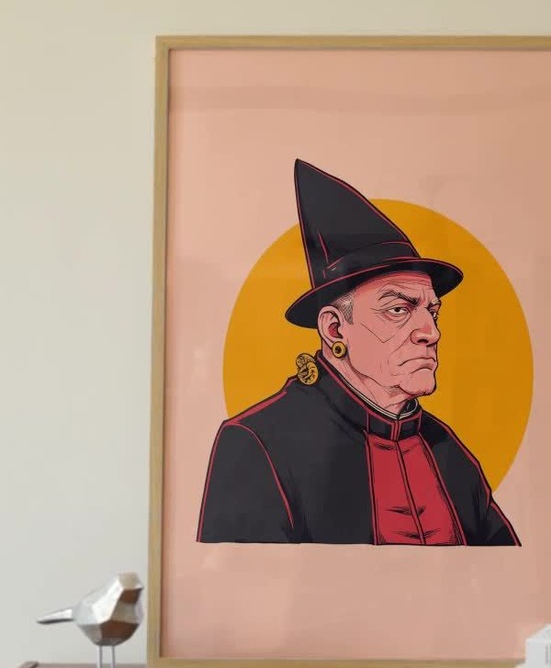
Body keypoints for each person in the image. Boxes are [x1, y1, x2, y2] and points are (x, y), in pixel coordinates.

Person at [196, 159, 520, 546]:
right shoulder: (258, 443)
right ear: (335, 329)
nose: (430, 333)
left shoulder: (448, 449)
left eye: (432, 312)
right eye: (398, 310)